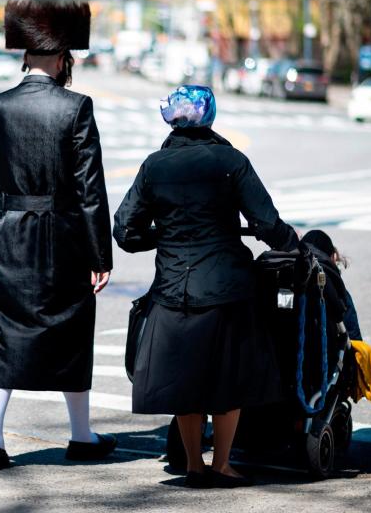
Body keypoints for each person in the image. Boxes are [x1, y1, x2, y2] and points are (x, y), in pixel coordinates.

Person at [113, 85, 299, 489]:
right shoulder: (230, 160)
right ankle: (224, 465)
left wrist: (164, 237)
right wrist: (295, 247)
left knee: (185, 381)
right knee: (229, 379)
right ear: (210, 116)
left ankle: (194, 466)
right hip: (225, 288)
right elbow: (266, 223)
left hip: (173, 290)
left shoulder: (153, 166)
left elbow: (125, 232)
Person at [0, 0, 115, 471]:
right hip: (64, 234)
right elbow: (90, 187)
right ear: (61, 58)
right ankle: (81, 435)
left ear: (25, 56)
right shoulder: (76, 107)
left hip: (9, 231)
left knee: (2, 329)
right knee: (71, 329)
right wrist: (101, 254)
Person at [300, 230, 363, 341]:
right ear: (333, 257)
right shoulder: (337, 289)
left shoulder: (288, 279)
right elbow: (353, 335)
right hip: (328, 354)